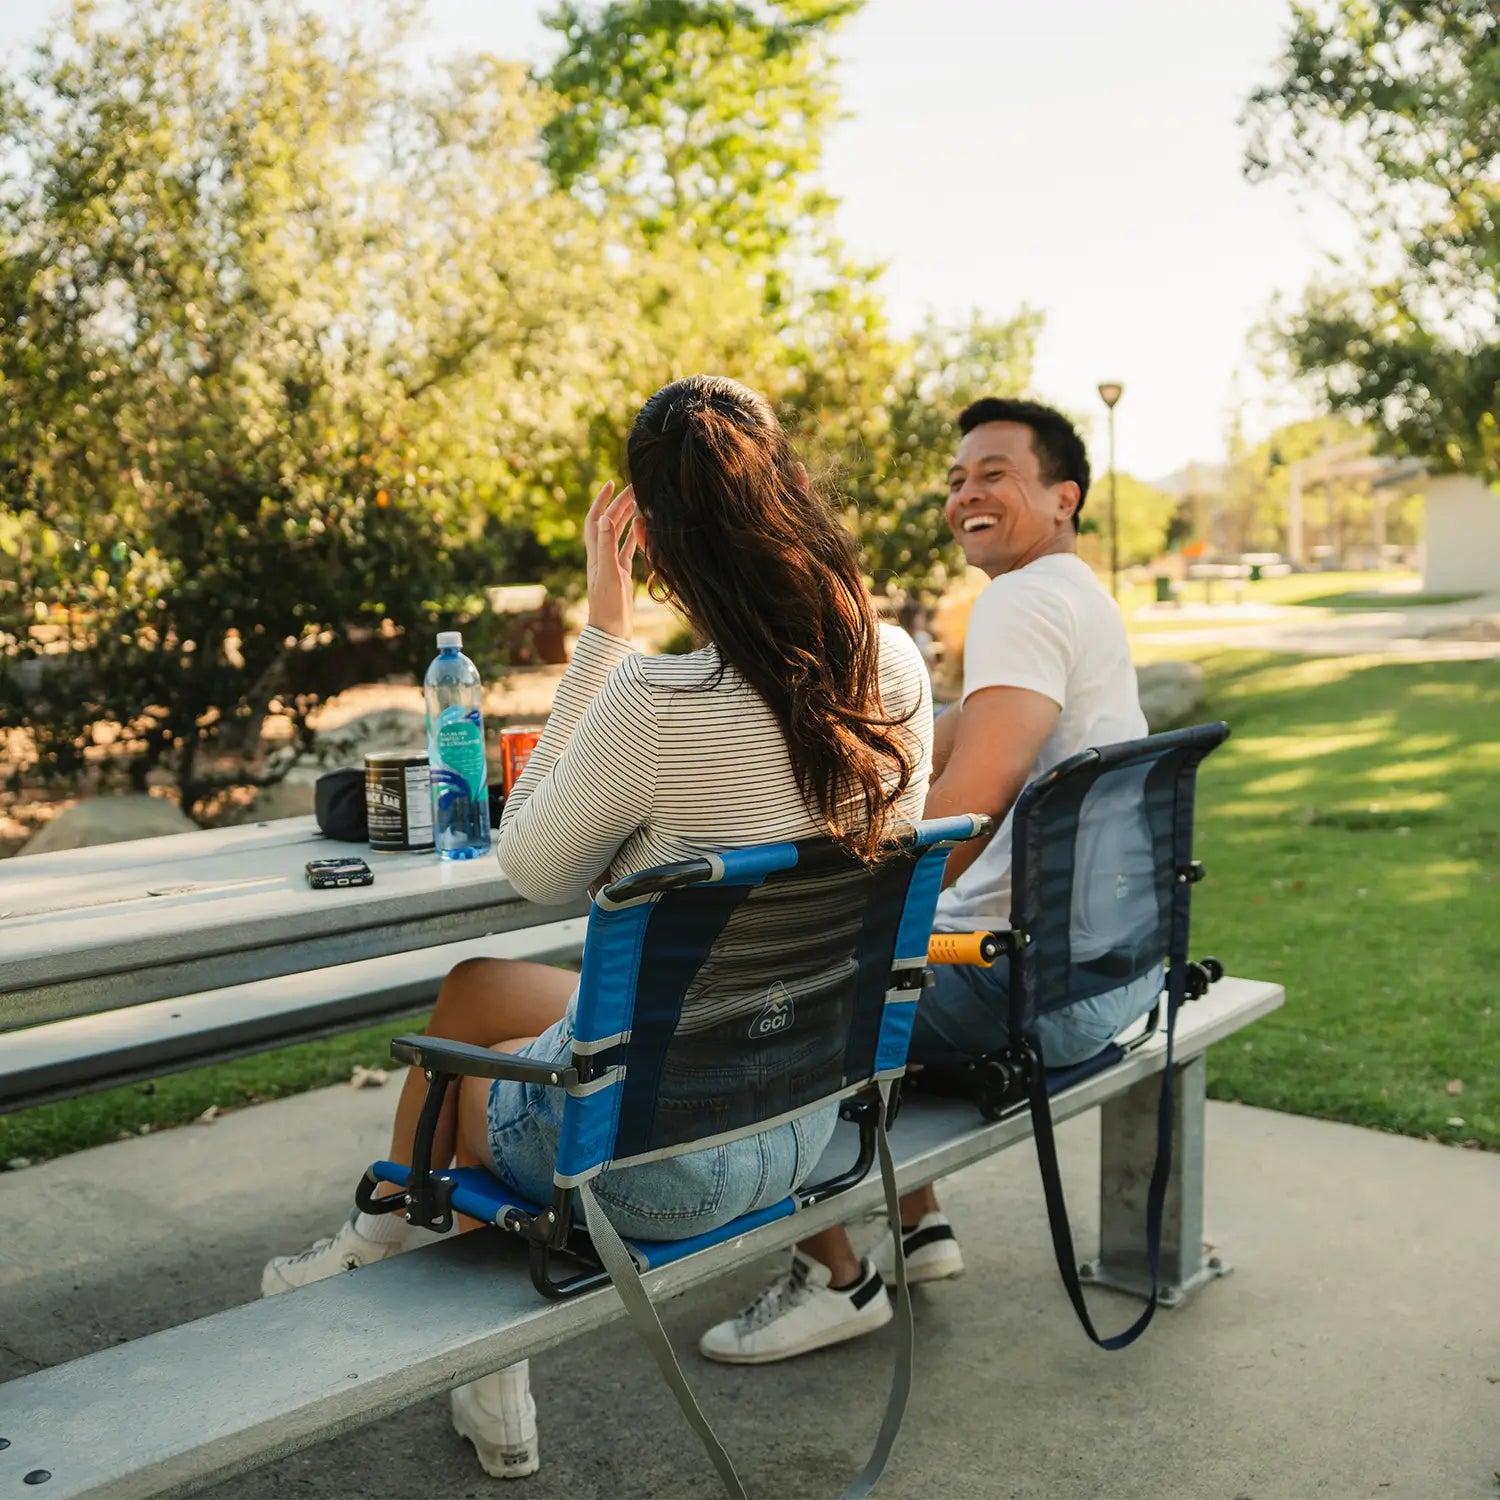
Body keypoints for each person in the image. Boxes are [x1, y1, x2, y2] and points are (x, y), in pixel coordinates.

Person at [260, 376, 934, 1479]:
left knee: (468, 1076)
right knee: (481, 991)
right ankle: (385, 1261)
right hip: (813, 1124)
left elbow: (528, 862)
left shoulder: (655, 705)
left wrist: (604, 629)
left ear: (656, 546)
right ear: (795, 497)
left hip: (651, 1169)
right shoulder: (895, 668)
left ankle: (385, 1250)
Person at [698, 396, 1160, 1365]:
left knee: (760, 991)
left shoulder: (1021, 602)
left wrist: (856, 920)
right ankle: (919, 1224)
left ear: (1063, 496)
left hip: (1036, 987)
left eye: (994, 474)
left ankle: (834, 1276)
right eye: (956, 480)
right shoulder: (1072, 596)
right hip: (1116, 968)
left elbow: (971, 797)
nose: (965, 495)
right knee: (886, 944)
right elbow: (945, 747)